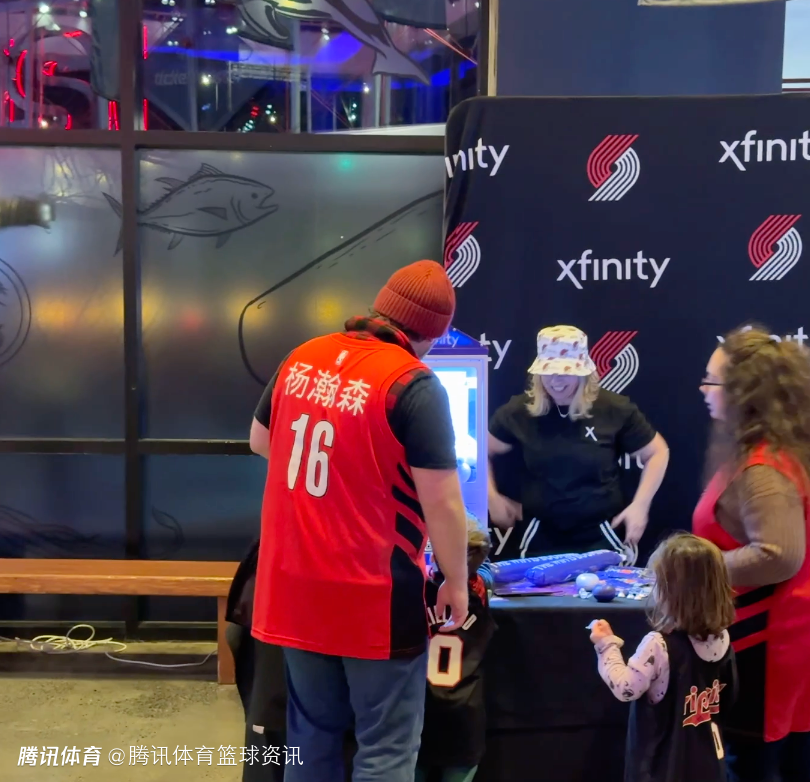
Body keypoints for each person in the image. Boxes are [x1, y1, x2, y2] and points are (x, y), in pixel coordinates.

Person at [248, 260, 470, 782]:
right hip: (373, 597)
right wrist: (457, 581)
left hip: (293, 587)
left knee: (310, 737)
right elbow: (443, 504)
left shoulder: (303, 357)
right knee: (386, 747)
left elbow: (260, 441)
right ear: (433, 334)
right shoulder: (412, 384)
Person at [695, 325, 810, 781]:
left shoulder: (764, 468)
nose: (703, 389)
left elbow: (780, 555)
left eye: (711, 380)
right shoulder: (759, 453)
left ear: (743, 391)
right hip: (761, 642)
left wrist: (694, 570)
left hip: (765, 646)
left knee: (756, 767)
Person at [488, 325, 669, 560]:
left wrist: (640, 505)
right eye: (548, 371)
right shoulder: (519, 412)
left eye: (565, 371)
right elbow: (479, 453)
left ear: (583, 372)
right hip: (540, 536)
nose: (556, 380)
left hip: (600, 534)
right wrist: (491, 497)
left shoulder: (613, 409)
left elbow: (657, 452)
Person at [589, 533, 737, 782]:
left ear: (672, 592)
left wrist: (606, 644)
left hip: (662, 765)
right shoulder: (722, 637)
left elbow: (625, 688)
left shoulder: (658, 645)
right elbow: (729, 696)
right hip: (707, 760)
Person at [417, 513, 496, 782]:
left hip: (421, 713)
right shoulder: (480, 589)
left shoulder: (417, 590)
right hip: (465, 716)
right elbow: (484, 567)